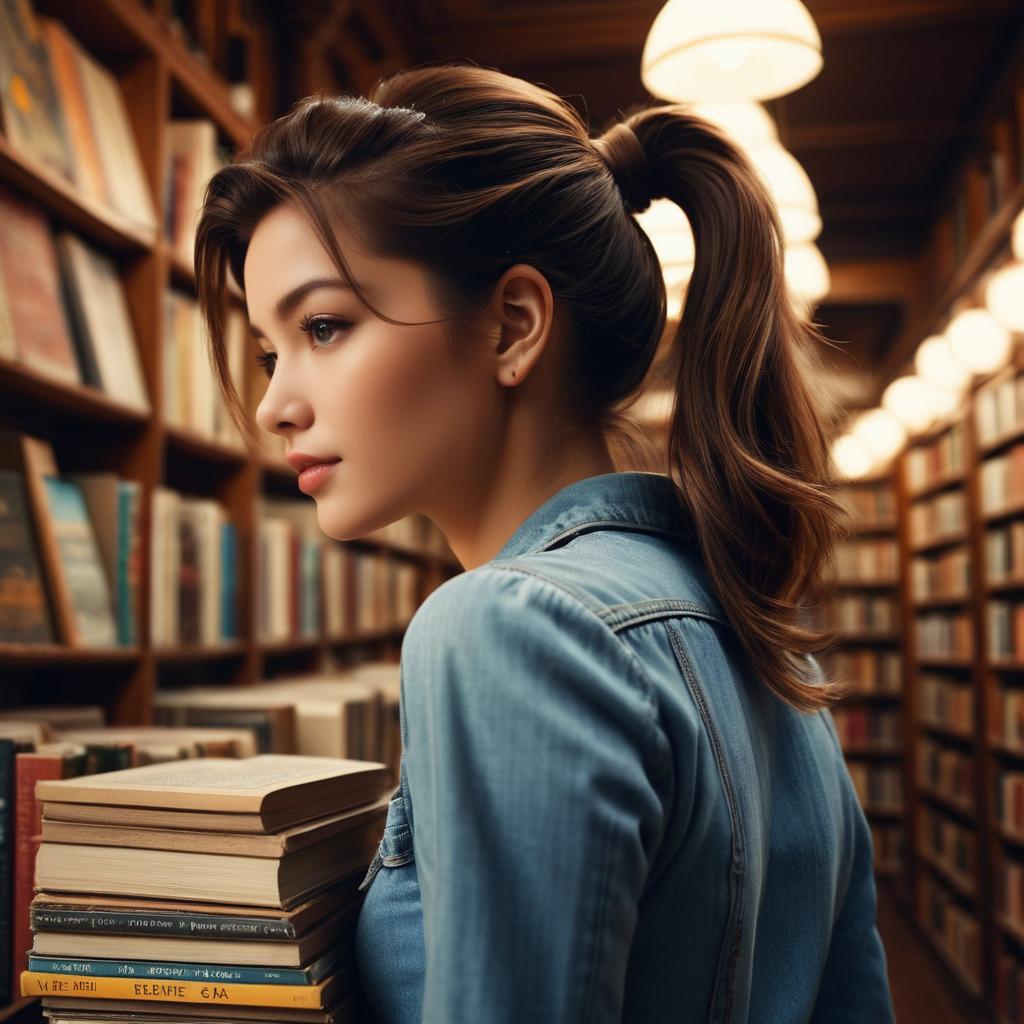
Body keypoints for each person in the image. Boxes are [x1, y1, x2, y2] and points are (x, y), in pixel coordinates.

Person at [195, 59, 896, 1023]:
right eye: (271, 352)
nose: (274, 403)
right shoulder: (764, 646)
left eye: (324, 326)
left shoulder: (508, 629)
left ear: (513, 326)